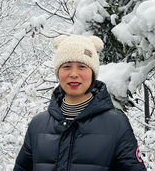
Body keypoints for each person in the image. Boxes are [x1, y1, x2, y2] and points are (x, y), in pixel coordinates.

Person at [13, 34, 146, 171]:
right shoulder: (38, 125)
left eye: (82, 67)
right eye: (66, 66)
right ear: (58, 72)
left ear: (93, 73)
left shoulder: (116, 124)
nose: (74, 74)